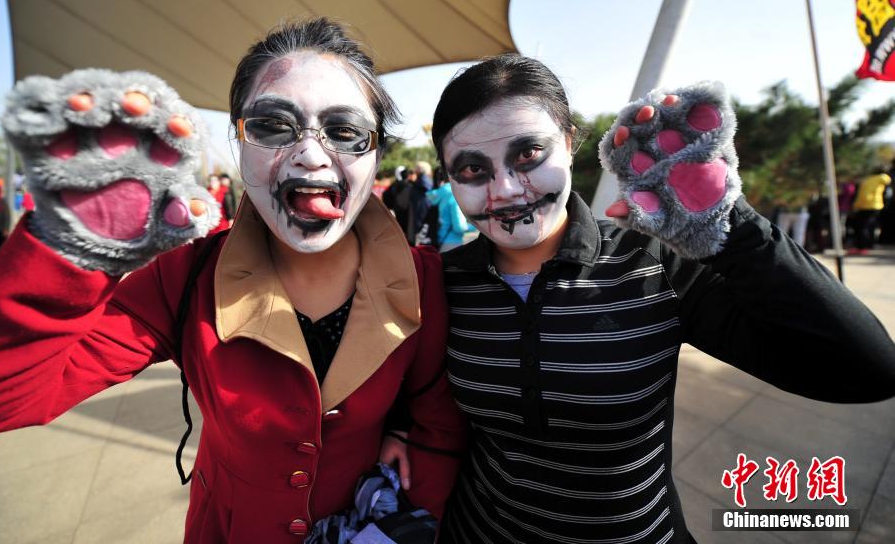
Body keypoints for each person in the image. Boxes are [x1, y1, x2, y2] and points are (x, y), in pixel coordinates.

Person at [0, 18, 465, 544]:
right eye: (272, 126)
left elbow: (439, 427)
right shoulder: (186, 276)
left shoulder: (423, 281)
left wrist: (401, 522)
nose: (312, 156)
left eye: (344, 132)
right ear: (239, 143)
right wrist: (77, 249)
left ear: (377, 152)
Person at [382, 55, 895, 544]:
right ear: (448, 175)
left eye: (528, 154)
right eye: (472, 169)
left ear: (569, 141)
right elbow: (400, 388)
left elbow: (865, 370)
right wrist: (399, 431)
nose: (506, 189)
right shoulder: (440, 281)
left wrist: (729, 226)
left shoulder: (652, 264)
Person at [426, 167, 473, 252]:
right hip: (453, 244)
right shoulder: (453, 194)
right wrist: (476, 226)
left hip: (438, 241)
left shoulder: (436, 194)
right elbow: (459, 227)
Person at [848, 166, 892, 254]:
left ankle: (862, 247)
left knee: (862, 226)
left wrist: (856, 205)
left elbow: (863, 195)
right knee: (868, 226)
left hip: (868, 206)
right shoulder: (872, 180)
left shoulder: (872, 180)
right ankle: (867, 245)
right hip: (872, 205)